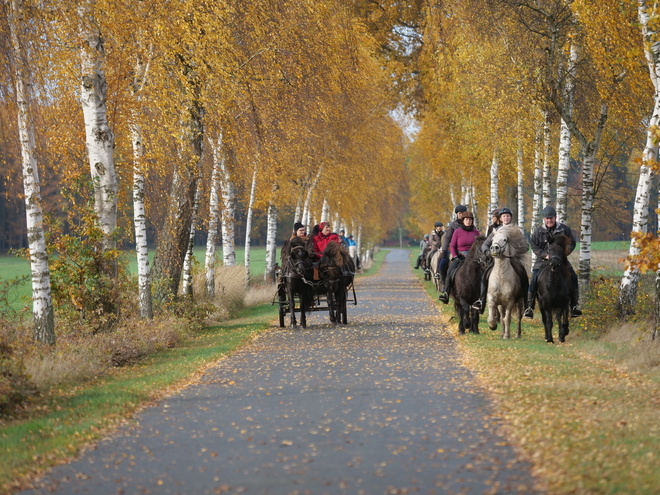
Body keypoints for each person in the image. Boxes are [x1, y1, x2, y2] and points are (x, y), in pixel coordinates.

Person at [524, 205, 582, 319]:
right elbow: (534, 246)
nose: (549, 220)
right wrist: (545, 255)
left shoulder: (564, 229)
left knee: (573, 277)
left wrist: (563, 254)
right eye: (547, 218)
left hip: (561, 260)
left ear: (555, 218)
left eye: (551, 218)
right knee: (534, 280)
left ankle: (574, 306)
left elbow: (572, 243)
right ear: (543, 219)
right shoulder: (538, 231)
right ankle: (530, 307)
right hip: (542, 261)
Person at [471, 207, 529, 313]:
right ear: (500, 218)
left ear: (511, 218)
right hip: (497, 260)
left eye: (508, 216)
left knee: (523, 274)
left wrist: (515, 251)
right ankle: (481, 301)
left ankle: (527, 305)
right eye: (504, 216)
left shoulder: (516, 231)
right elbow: (485, 245)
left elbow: (526, 246)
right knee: (485, 276)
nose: (506, 218)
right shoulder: (495, 231)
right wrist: (488, 252)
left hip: (512, 260)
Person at [438, 211, 479, 304]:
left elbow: (479, 245)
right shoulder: (457, 232)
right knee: (449, 273)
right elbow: (452, 246)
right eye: (466, 219)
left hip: (473, 257)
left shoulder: (476, 232)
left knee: (483, 273)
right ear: (463, 220)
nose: (468, 221)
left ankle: (482, 298)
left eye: (470, 219)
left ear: (472, 221)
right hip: (460, 256)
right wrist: (455, 256)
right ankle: (446, 294)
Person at [437, 205, 467, 282]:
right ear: (457, 214)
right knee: (442, 263)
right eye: (460, 213)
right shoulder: (453, 225)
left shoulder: (469, 224)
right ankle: (444, 282)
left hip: (467, 250)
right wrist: (444, 249)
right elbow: (447, 238)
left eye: (463, 213)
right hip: (454, 250)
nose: (461, 215)